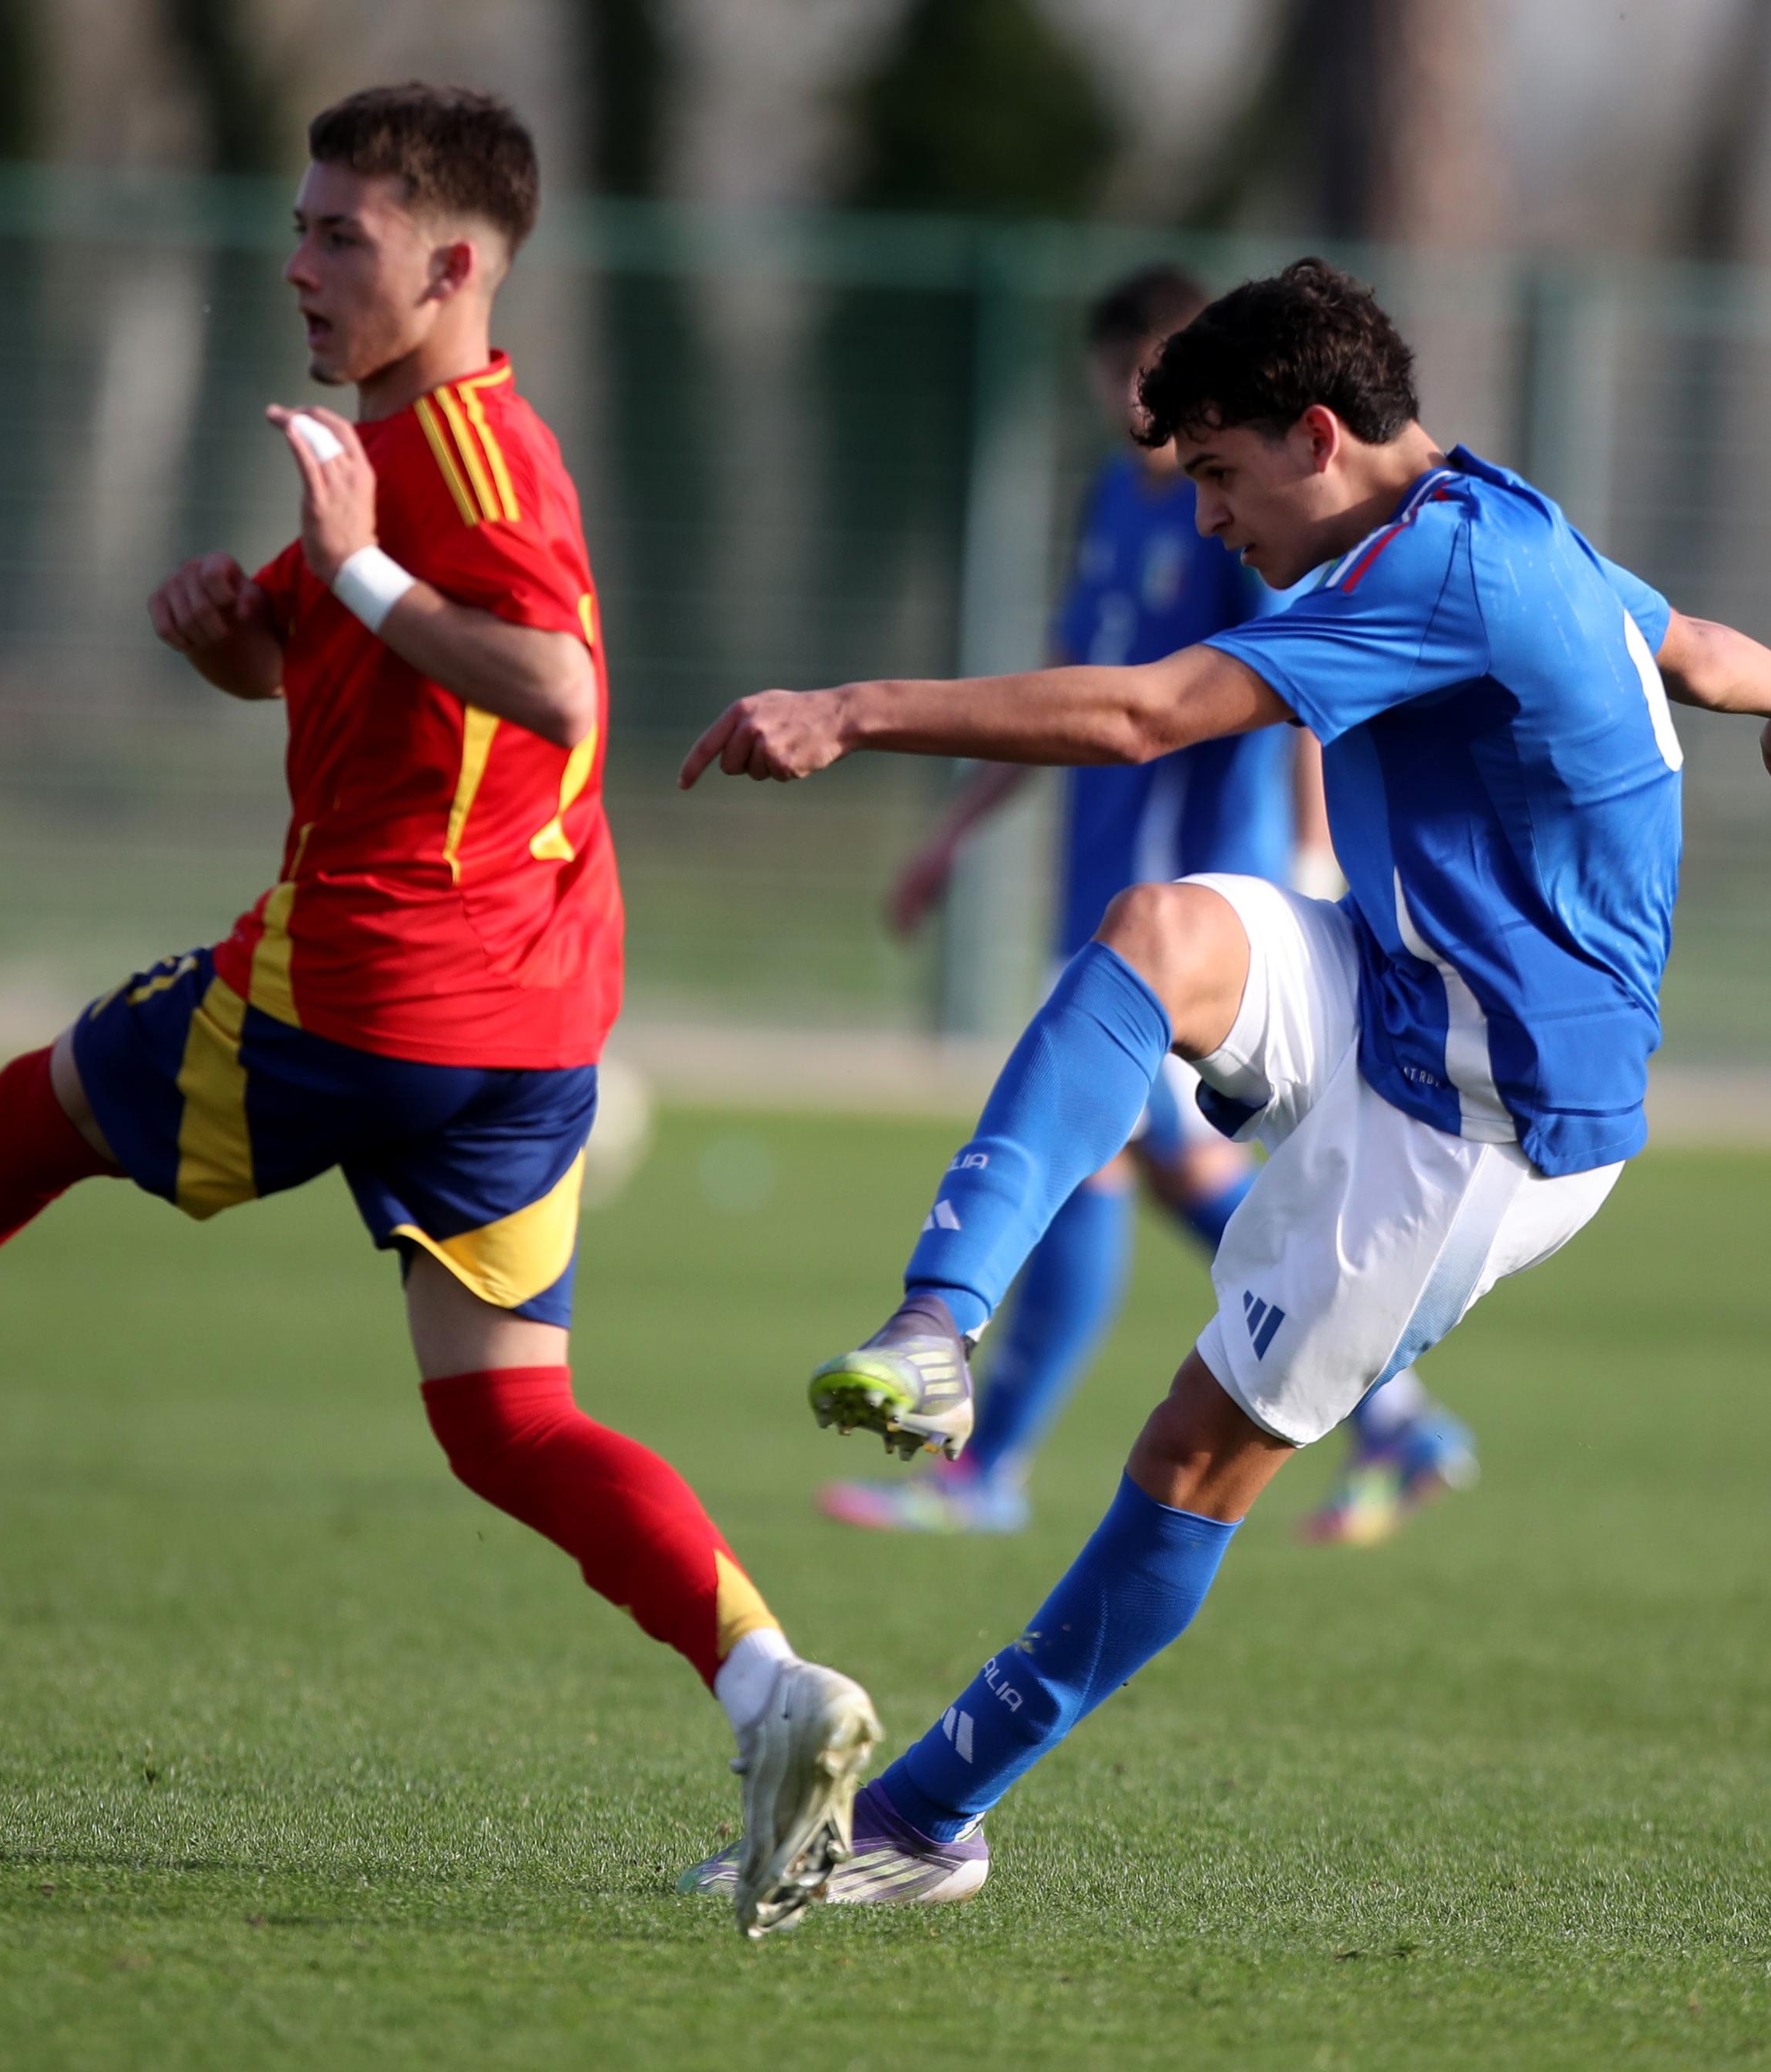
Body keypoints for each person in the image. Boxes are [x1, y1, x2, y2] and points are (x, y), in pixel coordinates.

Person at [0, 82, 875, 1941]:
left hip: (371, 981)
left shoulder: (467, 462)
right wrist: (228, 630)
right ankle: (770, 1686)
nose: (299, 264)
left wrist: (353, 569)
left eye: (343, 234)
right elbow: (308, 646)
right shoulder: (393, 441)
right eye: (302, 225)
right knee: (509, 1418)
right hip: (530, 1021)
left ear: (457, 265)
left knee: (37, 1114)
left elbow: (556, 686)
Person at [676, 258, 1771, 1907]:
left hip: (1493, 1120)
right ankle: (934, 1326)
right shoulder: (1492, 511)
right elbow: (1690, 648)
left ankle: (919, 1825)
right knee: (1160, 934)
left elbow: (1141, 716)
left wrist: (852, 707)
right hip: (1400, 989)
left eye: (1216, 473)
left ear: (1317, 435)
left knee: (1193, 1459)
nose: (1203, 518)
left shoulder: (1448, 564)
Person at [820, 263, 1473, 1544]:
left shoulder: (1230, 517)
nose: (1138, 397)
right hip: (1109, 896)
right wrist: (952, 833)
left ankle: (988, 1464)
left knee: (1105, 1156)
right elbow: (1070, 687)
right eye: (1120, 372)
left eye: (1158, 371)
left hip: (1199, 909)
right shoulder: (1116, 502)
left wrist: (1308, 861)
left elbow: (1296, 687)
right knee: (1151, 1167)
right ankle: (1395, 1417)